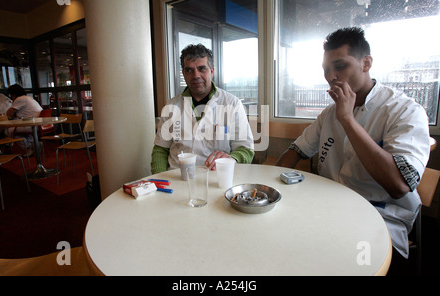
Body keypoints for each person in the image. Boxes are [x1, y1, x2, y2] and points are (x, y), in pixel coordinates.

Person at [276, 27, 430, 259]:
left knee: (329, 255)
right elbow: (296, 150)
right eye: (326, 70)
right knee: (280, 234)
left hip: (379, 214)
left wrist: (347, 120)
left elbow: (399, 185)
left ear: (366, 63)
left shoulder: (404, 110)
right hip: (329, 206)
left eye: (340, 66)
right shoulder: (328, 114)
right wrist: (270, 190)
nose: (331, 77)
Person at [152, 44, 254, 173]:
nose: (196, 76)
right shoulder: (172, 106)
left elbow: (246, 150)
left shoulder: (232, 103)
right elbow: (160, 149)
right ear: (183, 73)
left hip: (216, 178)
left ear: (211, 71)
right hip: (177, 179)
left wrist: (231, 158)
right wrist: (159, 180)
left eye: (202, 69)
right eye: (189, 70)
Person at [5, 84, 43, 155]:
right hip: (38, 124)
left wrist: (13, 103)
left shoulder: (19, 99)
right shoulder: (28, 98)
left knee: (9, 131)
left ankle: (29, 147)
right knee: (20, 131)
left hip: (31, 125)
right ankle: (33, 145)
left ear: (13, 94)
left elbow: (9, 113)